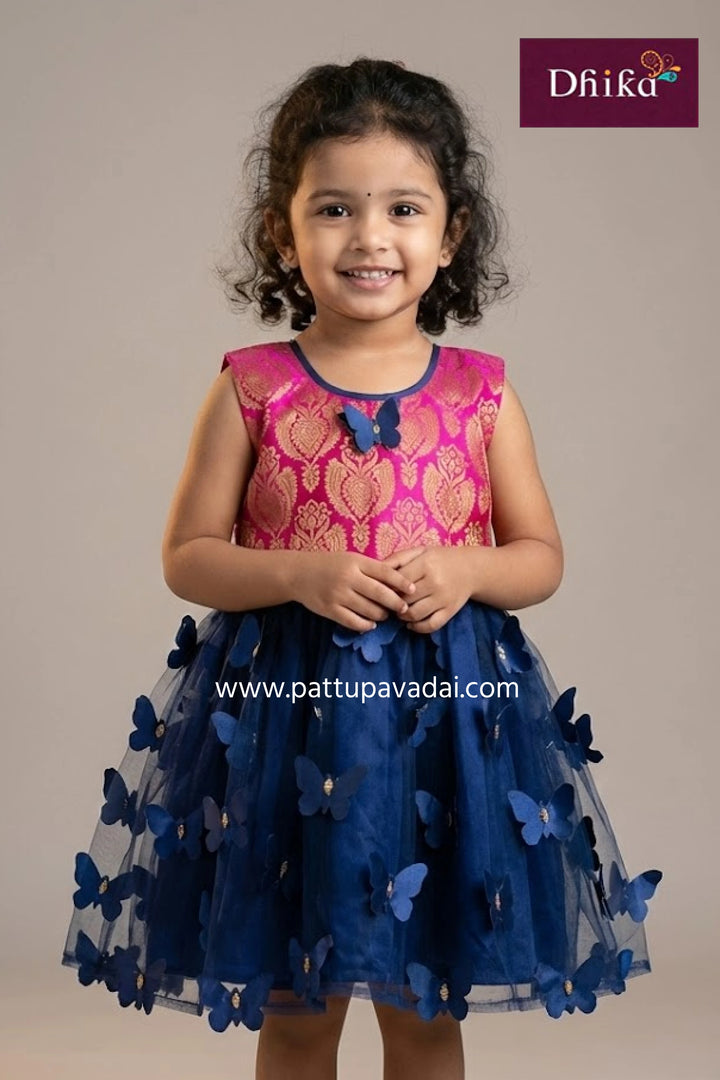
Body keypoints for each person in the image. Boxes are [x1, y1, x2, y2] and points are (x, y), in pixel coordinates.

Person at [60, 57, 662, 1080]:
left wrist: (472, 568)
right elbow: (188, 557)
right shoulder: (251, 388)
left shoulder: (483, 395)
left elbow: (539, 556)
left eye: (404, 208)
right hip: (284, 727)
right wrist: (296, 572)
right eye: (334, 207)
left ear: (451, 234)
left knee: (423, 1009)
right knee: (296, 1008)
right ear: (282, 229)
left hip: (448, 735)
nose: (370, 237)